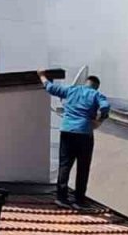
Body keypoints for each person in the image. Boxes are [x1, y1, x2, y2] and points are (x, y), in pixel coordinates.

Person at [40, 70, 111, 208]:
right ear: (96, 86)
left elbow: (50, 88)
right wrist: (100, 118)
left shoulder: (72, 90)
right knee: (83, 167)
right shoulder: (96, 94)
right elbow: (105, 106)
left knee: (65, 165)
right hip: (84, 133)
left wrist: (41, 75)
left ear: (86, 83)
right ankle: (79, 200)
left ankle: (61, 198)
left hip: (67, 131)